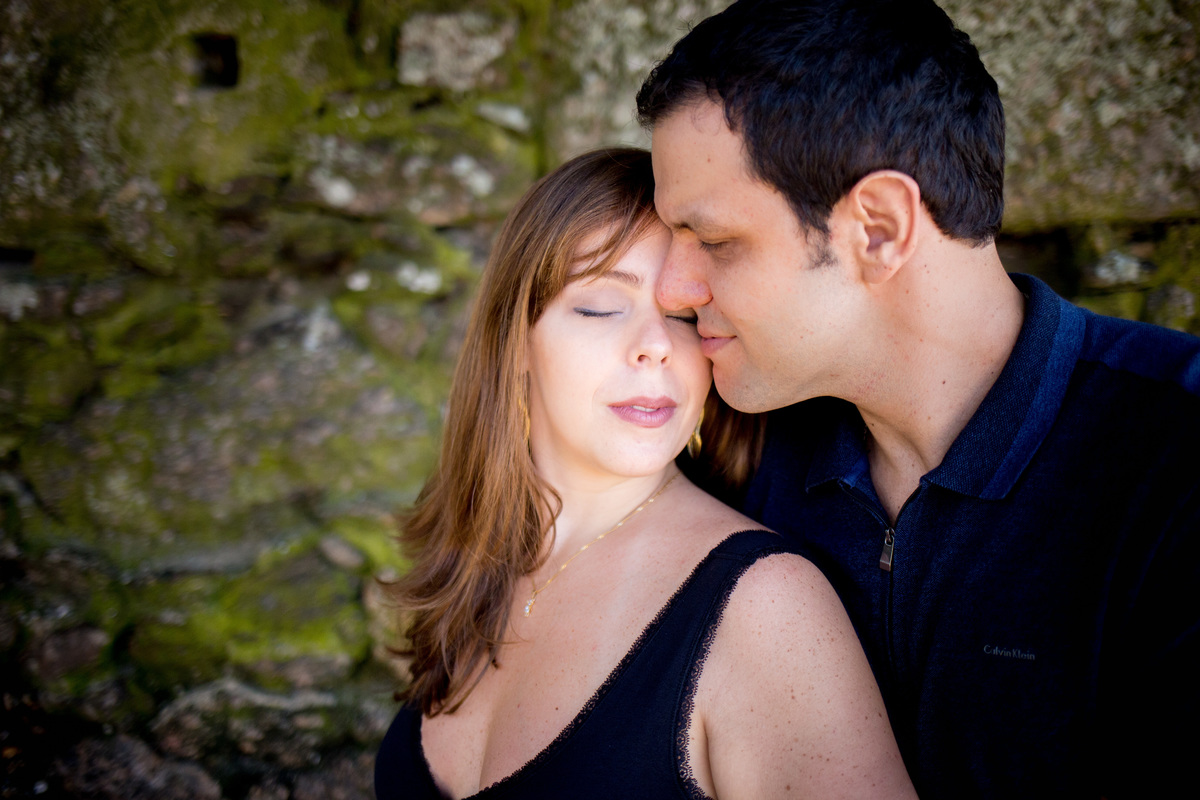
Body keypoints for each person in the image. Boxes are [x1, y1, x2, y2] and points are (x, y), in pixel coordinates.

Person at [636, 0, 1200, 797]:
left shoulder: (1177, 461)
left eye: (717, 242)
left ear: (878, 228)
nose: (672, 289)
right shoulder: (731, 452)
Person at [373, 148, 916, 799]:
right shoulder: (474, 562)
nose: (656, 344)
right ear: (514, 339)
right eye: (602, 307)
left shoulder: (766, 609)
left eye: (685, 317)